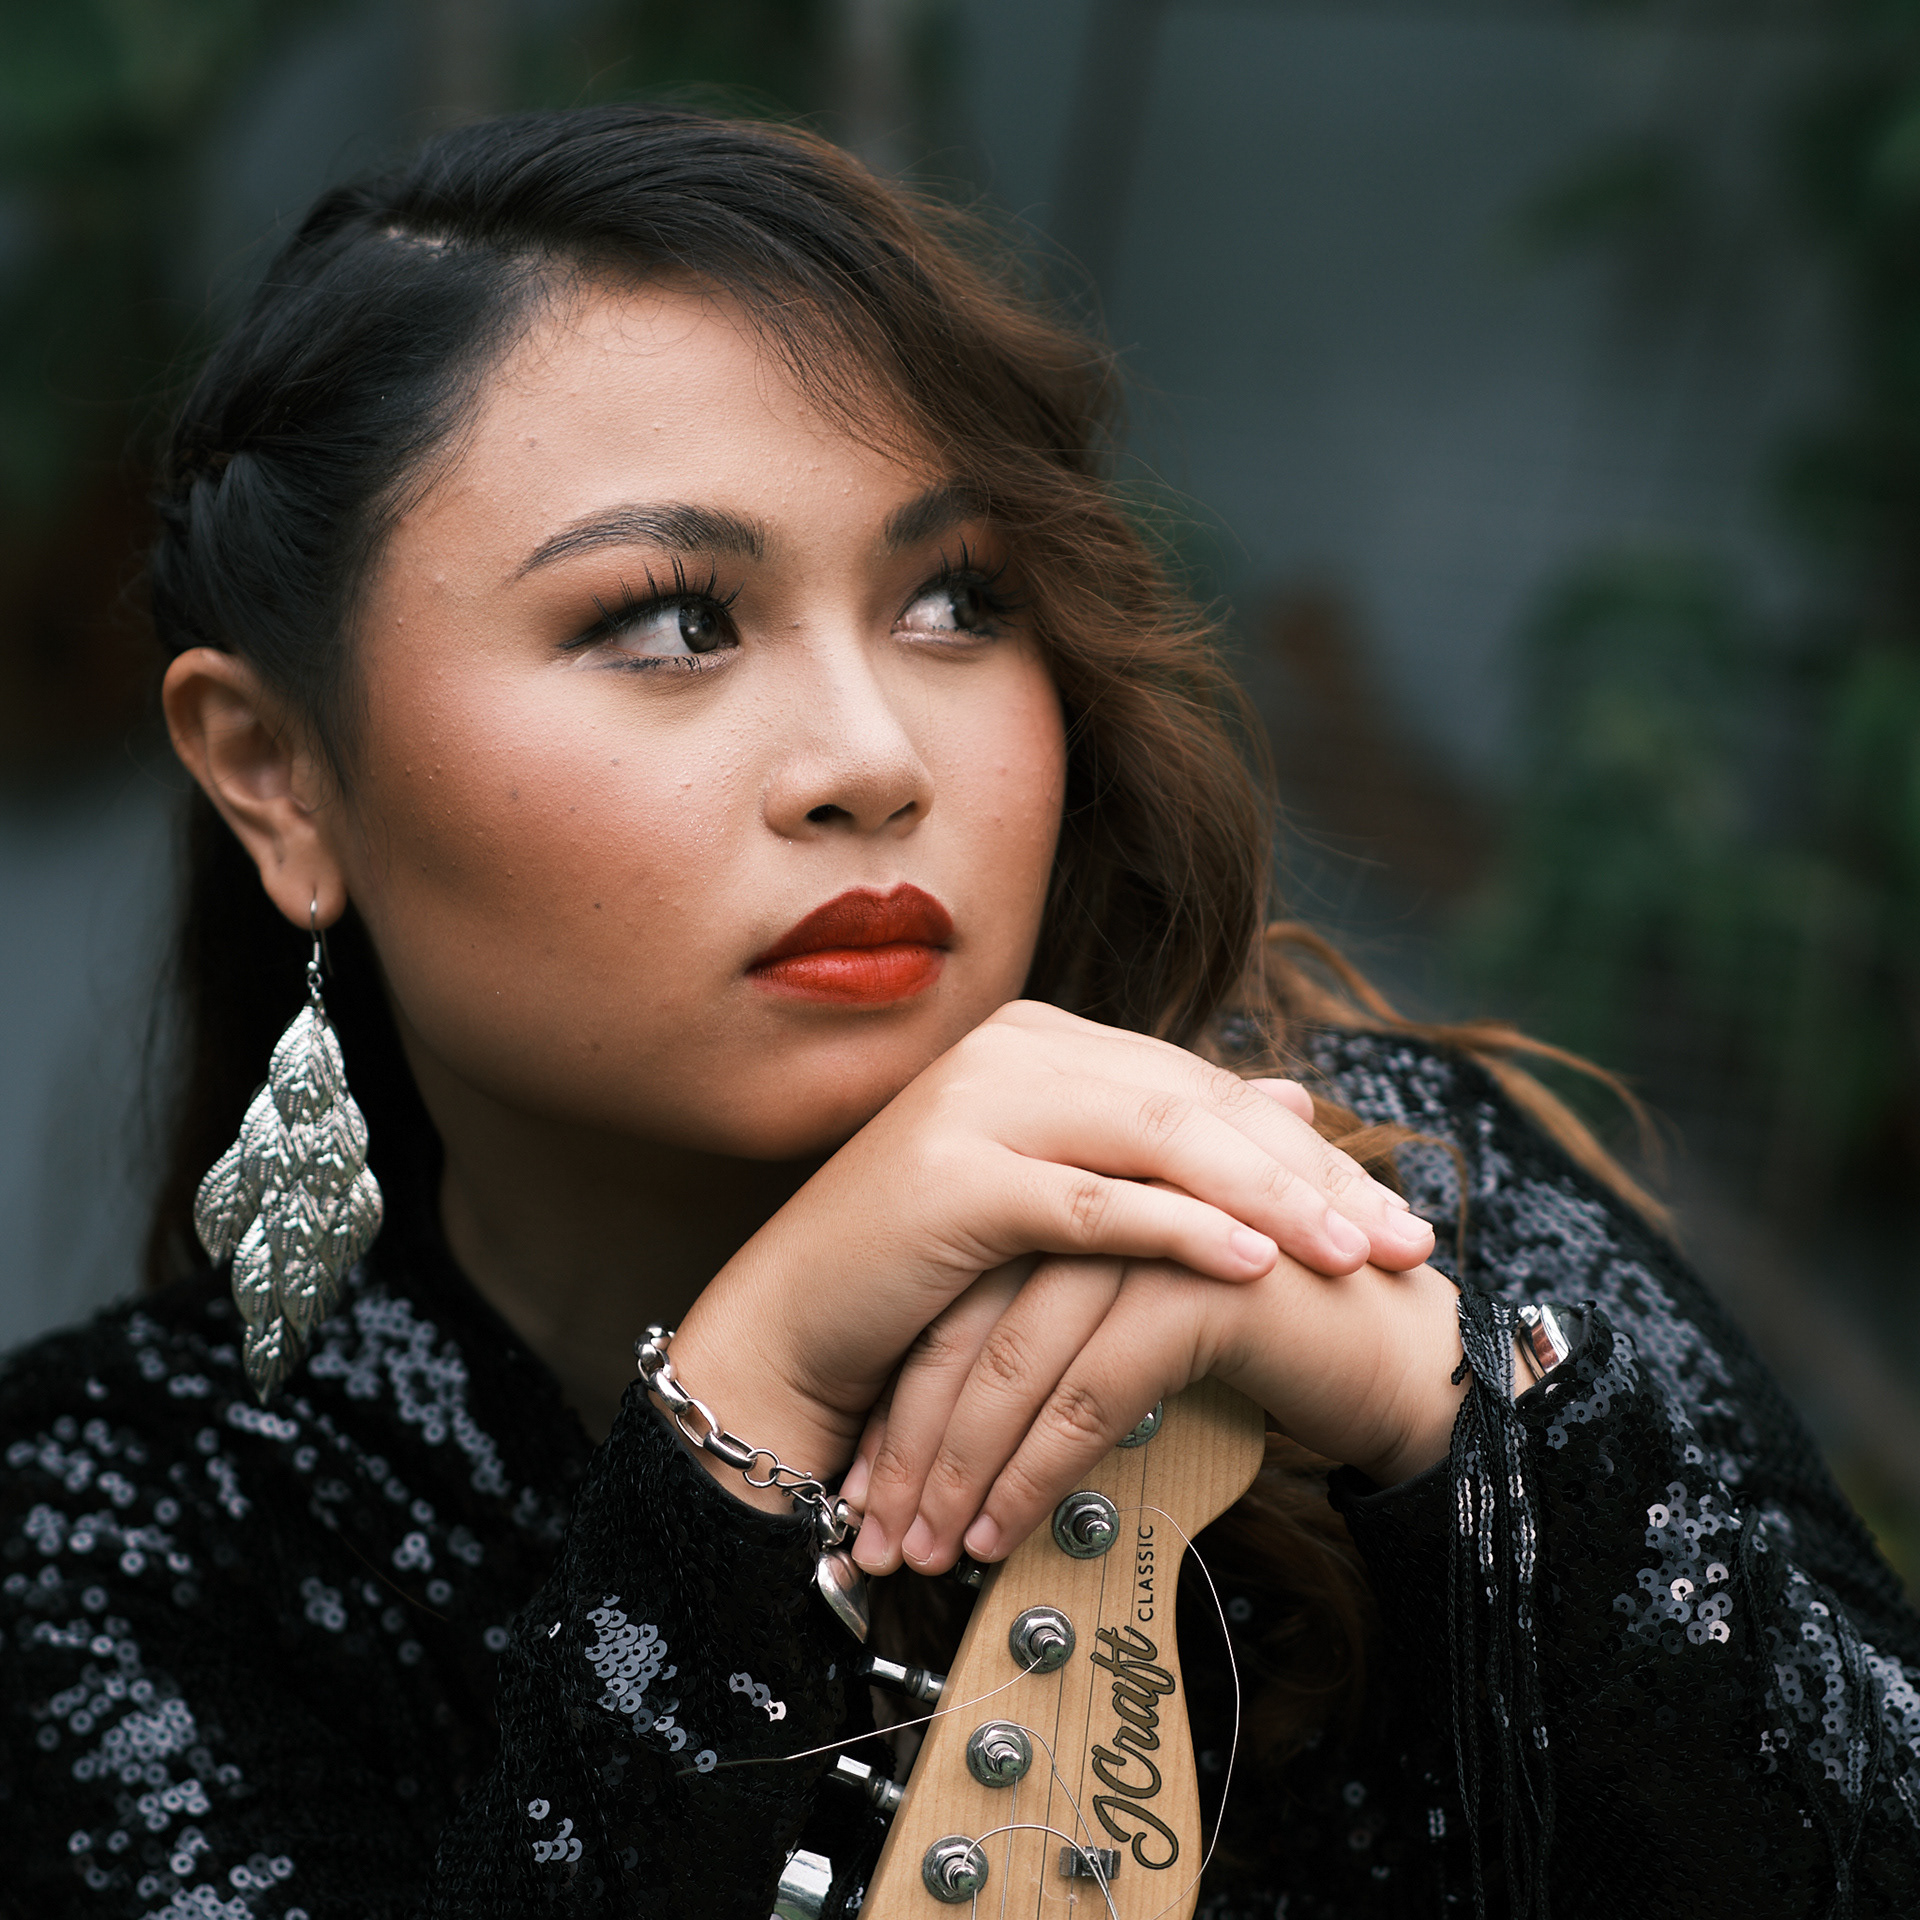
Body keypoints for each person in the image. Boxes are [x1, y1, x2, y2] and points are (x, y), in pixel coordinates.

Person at [2, 105, 1915, 1920]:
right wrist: (745, 1414)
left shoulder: (1392, 1202)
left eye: (953, 601)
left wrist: (1450, 1434)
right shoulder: (120, 1528)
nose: (870, 756)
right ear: (278, 776)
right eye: (668, 620)